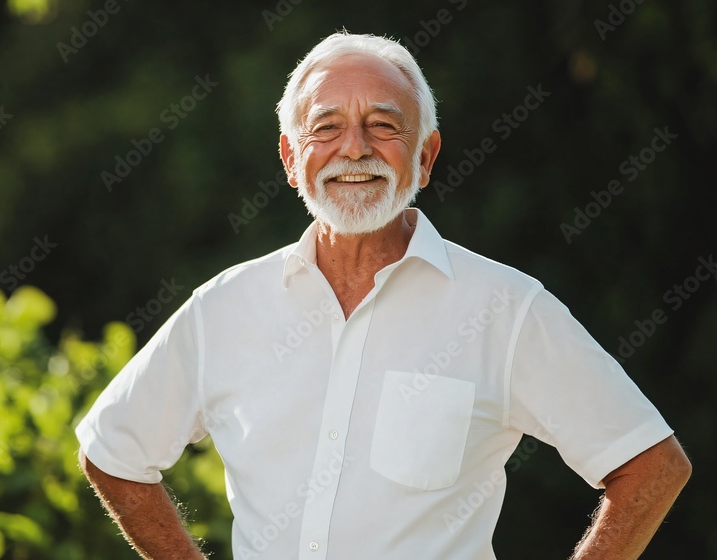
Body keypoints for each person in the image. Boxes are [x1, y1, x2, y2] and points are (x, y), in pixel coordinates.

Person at [75, 31, 692, 559]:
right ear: (290, 157)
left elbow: (653, 466)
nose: (355, 148)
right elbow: (112, 452)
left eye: (383, 125)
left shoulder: (504, 308)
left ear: (425, 157)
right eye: (327, 127)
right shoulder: (225, 307)